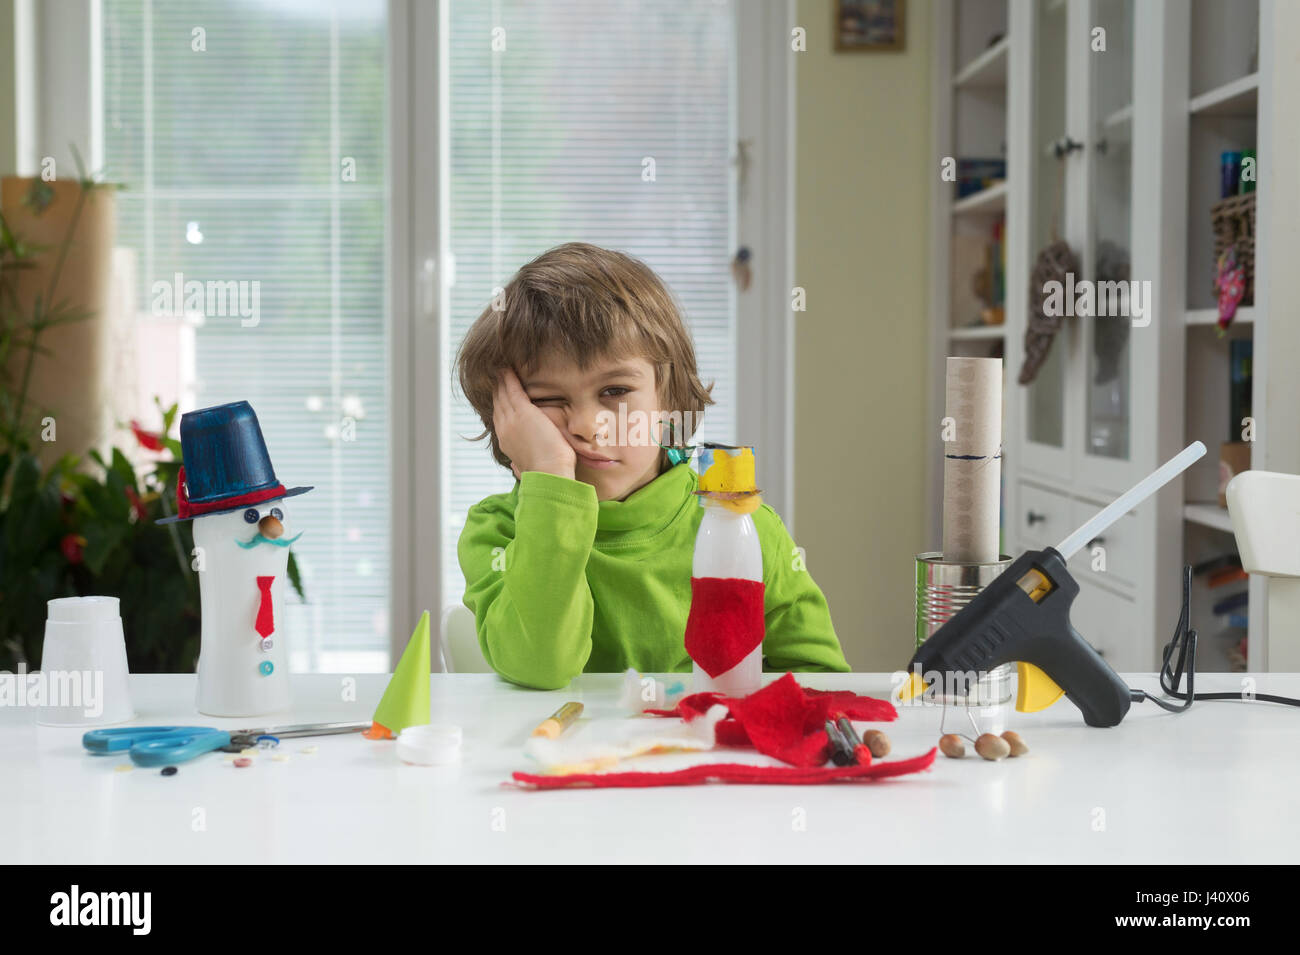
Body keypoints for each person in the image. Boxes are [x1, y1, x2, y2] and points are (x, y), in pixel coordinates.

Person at [456, 242, 849, 689]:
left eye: (615, 391)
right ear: (508, 420)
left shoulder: (741, 525)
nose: (589, 426)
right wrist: (549, 477)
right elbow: (539, 665)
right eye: (547, 400)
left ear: (670, 398)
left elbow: (822, 686)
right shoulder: (498, 530)